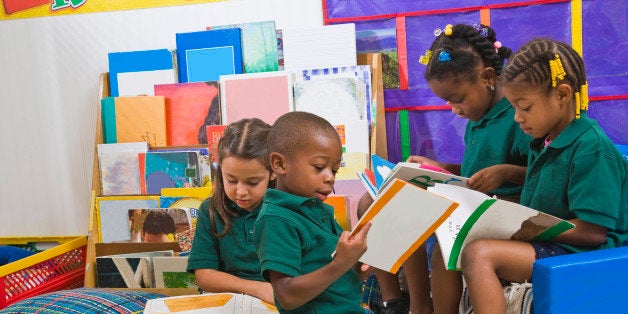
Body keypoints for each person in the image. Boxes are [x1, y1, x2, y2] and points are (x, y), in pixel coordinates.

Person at [365, 23, 530, 314]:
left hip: (505, 209)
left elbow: (541, 172)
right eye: (448, 102)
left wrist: (505, 172)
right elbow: (475, 171)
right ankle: (399, 302)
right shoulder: (479, 116)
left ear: (488, 78)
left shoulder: (519, 117)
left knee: (445, 247)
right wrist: (440, 168)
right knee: (378, 200)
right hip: (473, 201)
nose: (455, 109)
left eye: (458, 99)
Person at [456, 38, 628, 313]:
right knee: (461, 242)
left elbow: (594, 233)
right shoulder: (543, 140)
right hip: (553, 243)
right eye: (513, 108)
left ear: (562, 95)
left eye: (525, 108)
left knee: (479, 255)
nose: (517, 118)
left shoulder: (592, 148)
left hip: (586, 254)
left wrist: (530, 227)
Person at [254, 111, 372, 313]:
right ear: (280, 164)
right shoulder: (276, 219)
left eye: (334, 170)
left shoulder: (317, 211)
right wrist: (341, 263)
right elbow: (286, 296)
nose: (330, 178)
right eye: (319, 167)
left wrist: (358, 263)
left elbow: (337, 280)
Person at [186, 118, 276, 305]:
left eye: (253, 182)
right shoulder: (210, 210)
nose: (241, 191)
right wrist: (257, 288)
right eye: (232, 180)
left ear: (273, 172)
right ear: (220, 171)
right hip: (227, 299)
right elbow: (204, 275)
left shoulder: (287, 210)